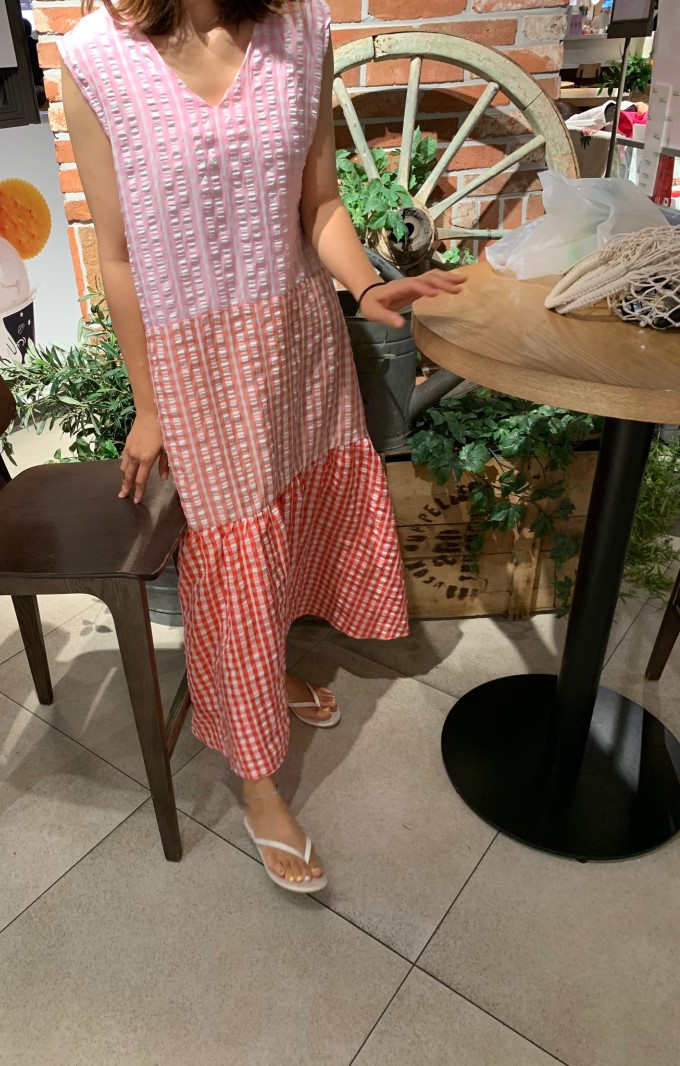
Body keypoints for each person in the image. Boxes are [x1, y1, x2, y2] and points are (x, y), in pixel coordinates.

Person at [60, 0, 465, 894]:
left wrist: (365, 287)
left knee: (289, 520)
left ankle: (267, 671)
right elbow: (117, 255)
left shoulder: (302, 26)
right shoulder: (93, 58)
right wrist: (148, 402)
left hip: (295, 338)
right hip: (195, 364)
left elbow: (319, 205)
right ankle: (255, 780)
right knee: (235, 551)